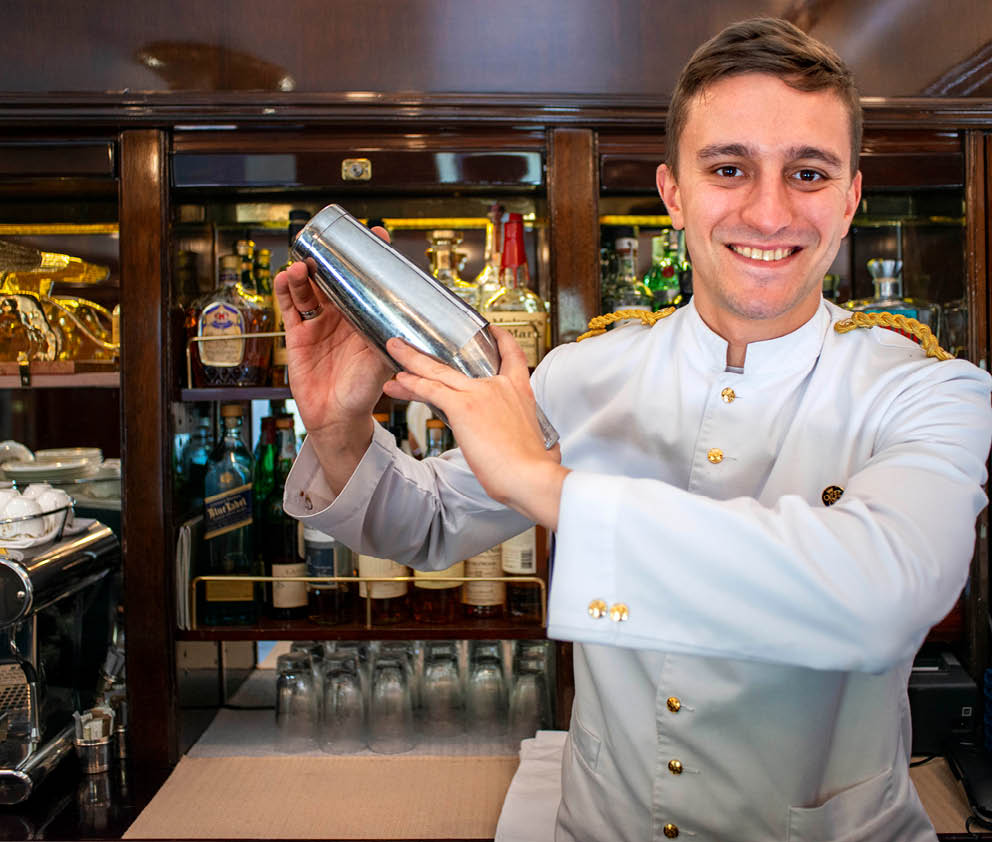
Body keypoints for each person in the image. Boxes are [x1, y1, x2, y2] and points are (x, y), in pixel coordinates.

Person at [275, 18, 992, 842]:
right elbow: (427, 524)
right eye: (729, 168)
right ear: (674, 194)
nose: (768, 210)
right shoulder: (587, 372)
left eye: (808, 172)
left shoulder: (931, 390)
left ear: (850, 200)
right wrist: (337, 428)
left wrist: (546, 484)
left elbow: (884, 597)